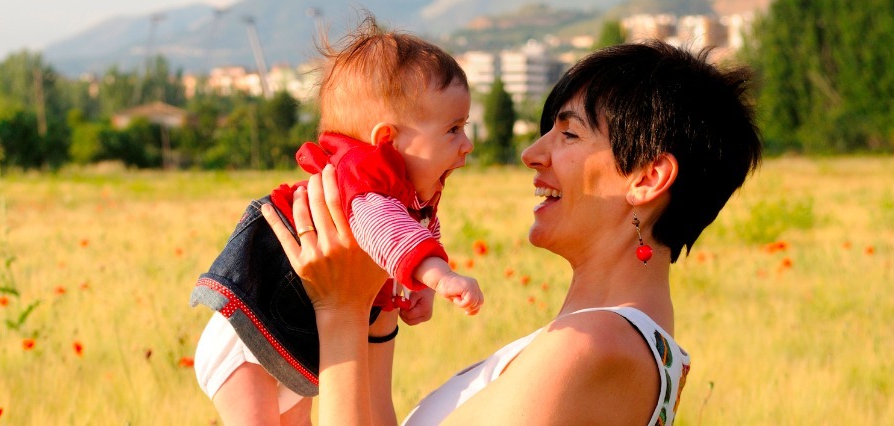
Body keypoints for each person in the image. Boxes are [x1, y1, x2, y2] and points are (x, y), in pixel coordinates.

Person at [263, 40, 762, 425]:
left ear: (648, 178)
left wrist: (339, 312)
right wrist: (373, 302)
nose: (532, 154)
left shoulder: (590, 345)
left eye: (568, 134)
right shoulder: (602, 343)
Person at [190, 16, 483, 425]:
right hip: (248, 339)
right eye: (453, 129)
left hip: (300, 348)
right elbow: (387, 230)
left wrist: (421, 283)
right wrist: (442, 277)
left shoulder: (408, 190)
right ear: (387, 140)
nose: (467, 144)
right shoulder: (363, 179)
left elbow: (415, 232)